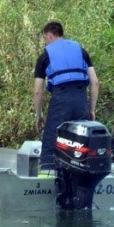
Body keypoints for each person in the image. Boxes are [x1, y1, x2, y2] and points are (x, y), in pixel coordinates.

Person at [33, 21, 99, 175]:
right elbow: (95, 82)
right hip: (81, 98)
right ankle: (80, 178)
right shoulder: (81, 51)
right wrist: (92, 109)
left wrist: (39, 116)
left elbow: (37, 91)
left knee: (51, 139)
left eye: (45, 38)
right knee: (80, 140)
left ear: (49, 36)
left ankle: (46, 176)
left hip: (61, 99)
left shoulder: (45, 56)